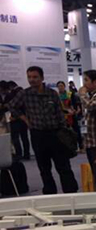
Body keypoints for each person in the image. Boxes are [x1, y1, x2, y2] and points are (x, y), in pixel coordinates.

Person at [9, 66, 78, 194]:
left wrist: (64, 131)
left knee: (63, 166)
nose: (32, 80)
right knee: (44, 168)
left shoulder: (52, 93)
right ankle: (50, 193)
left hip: (56, 134)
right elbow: (12, 106)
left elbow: (59, 113)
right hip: (38, 135)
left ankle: (71, 192)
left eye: (35, 77)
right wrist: (25, 119)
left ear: (42, 78)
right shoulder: (24, 94)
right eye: (29, 77)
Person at [6, 81, 30, 160]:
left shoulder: (12, 94)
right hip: (24, 118)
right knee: (24, 137)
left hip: (15, 119)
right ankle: (27, 154)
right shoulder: (24, 92)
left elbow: (10, 106)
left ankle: (19, 154)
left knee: (15, 138)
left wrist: (15, 116)